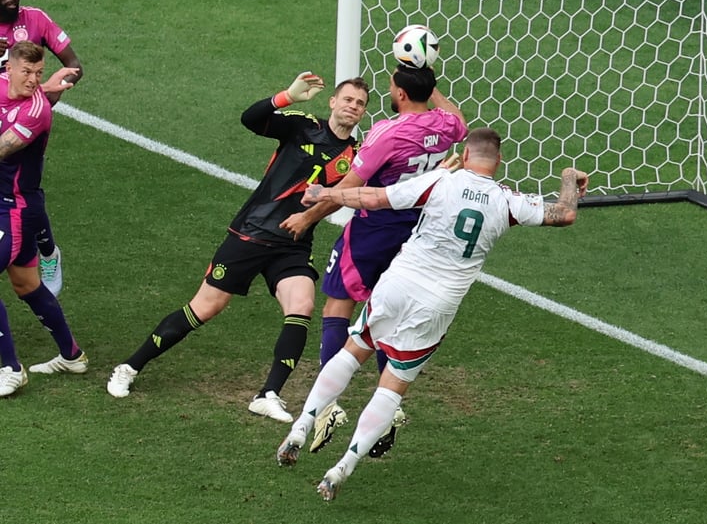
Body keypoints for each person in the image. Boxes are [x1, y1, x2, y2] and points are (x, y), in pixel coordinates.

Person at [276, 127, 589, 501]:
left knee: (353, 349)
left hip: (399, 282)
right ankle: (343, 466)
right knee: (392, 385)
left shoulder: (442, 180)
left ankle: (302, 424)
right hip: (438, 303)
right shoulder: (508, 201)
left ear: (466, 154)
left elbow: (374, 197)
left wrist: (326, 193)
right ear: (499, 162)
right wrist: (570, 179)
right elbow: (565, 213)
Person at [106, 72, 370, 424]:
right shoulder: (304, 126)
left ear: (363, 113)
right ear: (333, 102)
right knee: (205, 307)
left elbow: (346, 197)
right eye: (348, 99)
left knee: (302, 304)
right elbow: (251, 119)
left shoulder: (356, 156)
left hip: (292, 243)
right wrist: (286, 97)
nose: (353, 106)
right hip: (252, 233)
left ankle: (268, 394)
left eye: (360, 103)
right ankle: (129, 366)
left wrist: (315, 210)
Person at [280, 64, 467, 456]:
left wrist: (307, 215)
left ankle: (327, 405)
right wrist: (429, 85)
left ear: (399, 93)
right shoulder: (445, 126)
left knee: (338, 304)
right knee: (385, 314)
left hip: (373, 229)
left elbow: (347, 189)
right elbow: (459, 121)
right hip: (417, 233)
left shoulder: (388, 132)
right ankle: (389, 404)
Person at [0, 41, 85, 396]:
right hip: (13, 205)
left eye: (39, 74)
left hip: (15, 207)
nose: (35, 80)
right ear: (9, 70)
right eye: (27, 72)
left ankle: (10, 368)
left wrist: (46, 92)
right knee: (26, 285)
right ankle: (72, 355)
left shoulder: (37, 111)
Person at [0, 0, 84, 296]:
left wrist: (45, 100)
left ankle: (47, 252)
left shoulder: (35, 19)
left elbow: (74, 66)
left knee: (23, 189)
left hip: (27, 125)